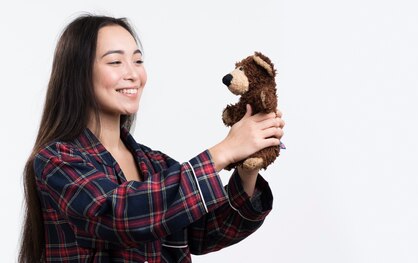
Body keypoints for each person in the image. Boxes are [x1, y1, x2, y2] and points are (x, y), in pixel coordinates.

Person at [19, 14, 285, 262]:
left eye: (137, 60)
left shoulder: (157, 164)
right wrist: (223, 151)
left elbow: (208, 231)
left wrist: (247, 164)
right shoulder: (56, 160)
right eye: (115, 61)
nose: (133, 74)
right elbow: (121, 215)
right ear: (78, 74)